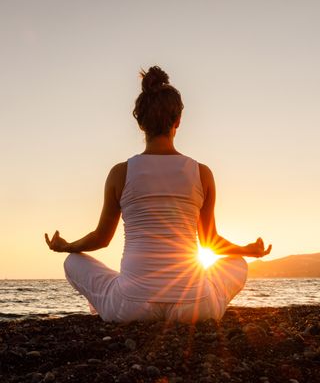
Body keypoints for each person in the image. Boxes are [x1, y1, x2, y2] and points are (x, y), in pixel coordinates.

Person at [45, 66, 271, 323]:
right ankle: (195, 302)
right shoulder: (202, 173)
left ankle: (108, 304)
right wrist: (246, 250)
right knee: (238, 263)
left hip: (130, 307)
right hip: (195, 307)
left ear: (140, 122)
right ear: (178, 121)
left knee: (72, 262)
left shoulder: (121, 173)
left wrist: (66, 247)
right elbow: (210, 241)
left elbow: (101, 238)